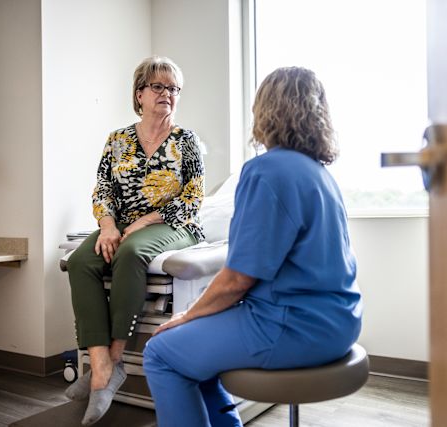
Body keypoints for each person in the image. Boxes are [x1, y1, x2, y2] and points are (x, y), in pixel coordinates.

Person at [143, 66, 362, 427]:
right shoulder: (320, 174)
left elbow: (237, 279)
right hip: (340, 322)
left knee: (161, 352)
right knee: (194, 353)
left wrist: (188, 314)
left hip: (294, 326)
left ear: (265, 111)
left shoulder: (267, 171)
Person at [64, 56, 205, 426]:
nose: (167, 94)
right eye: (158, 87)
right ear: (139, 93)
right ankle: (101, 367)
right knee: (81, 261)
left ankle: (113, 359)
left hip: (173, 223)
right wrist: (107, 224)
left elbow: (192, 198)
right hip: (121, 225)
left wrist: (144, 220)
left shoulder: (185, 140)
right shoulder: (118, 140)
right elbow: (103, 190)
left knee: (130, 252)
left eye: (173, 88)